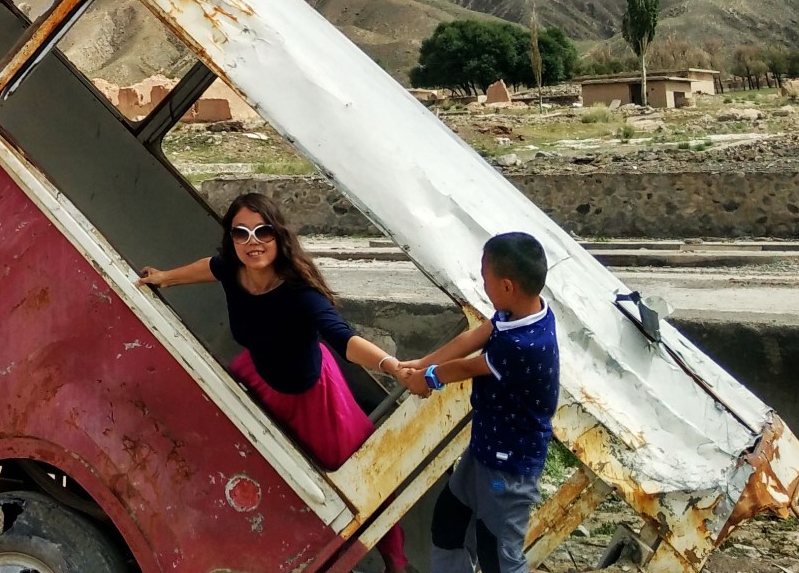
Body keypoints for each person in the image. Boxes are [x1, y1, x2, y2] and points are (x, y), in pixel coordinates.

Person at [141, 192, 410, 571]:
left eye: (262, 231)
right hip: (260, 375)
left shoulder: (300, 294)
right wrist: (165, 278)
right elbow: (210, 267)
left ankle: (395, 562)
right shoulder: (232, 270)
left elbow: (342, 338)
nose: (253, 242)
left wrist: (392, 366)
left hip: (310, 396)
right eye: (241, 233)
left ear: (278, 235)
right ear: (231, 239)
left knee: (362, 486)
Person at [396, 232, 560, 573]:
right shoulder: (523, 311)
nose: (482, 283)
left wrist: (428, 378)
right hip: (484, 452)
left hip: (507, 472)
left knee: (498, 554)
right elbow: (475, 336)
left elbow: (468, 366)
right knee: (449, 525)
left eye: (485, 277)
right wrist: (423, 362)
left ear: (507, 285)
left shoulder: (524, 343)